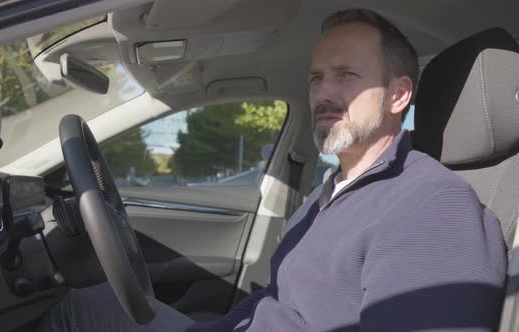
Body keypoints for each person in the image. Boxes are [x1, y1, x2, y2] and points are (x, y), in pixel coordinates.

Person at [39, 8, 507, 332]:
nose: (324, 92)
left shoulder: (433, 208)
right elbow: (277, 301)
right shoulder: (335, 191)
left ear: (398, 95)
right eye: (317, 77)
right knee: (91, 303)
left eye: (346, 75)